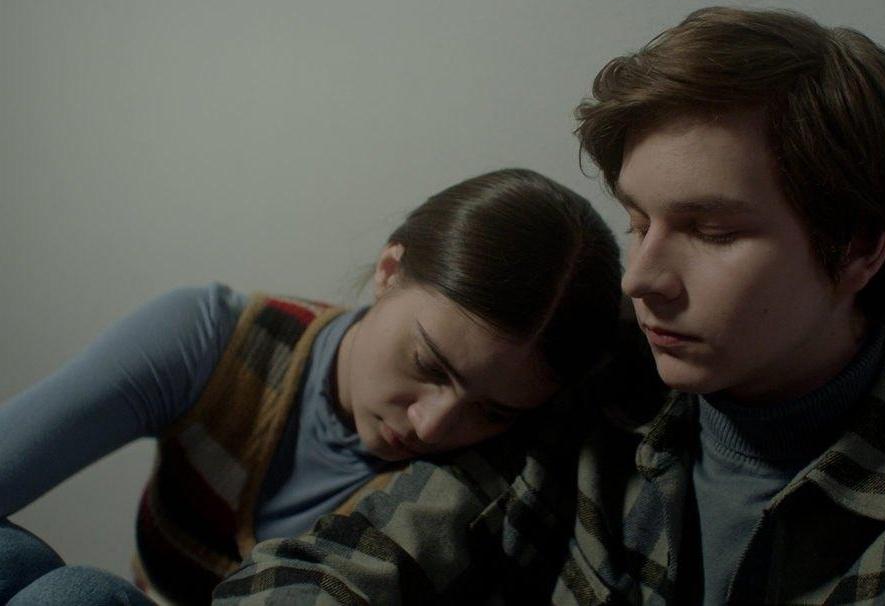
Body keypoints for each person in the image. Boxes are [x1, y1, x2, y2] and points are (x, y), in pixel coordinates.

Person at [214, 7, 885, 605]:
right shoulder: (587, 402)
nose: (641, 278)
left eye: (711, 231)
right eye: (638, 222)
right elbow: (317, 572)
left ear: (858, 248)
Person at [0, 168, 622, 605]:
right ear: (389, 272)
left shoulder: (474, 488)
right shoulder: (216, 339)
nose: (433, 425)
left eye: (492, 410)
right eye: (430, 366)